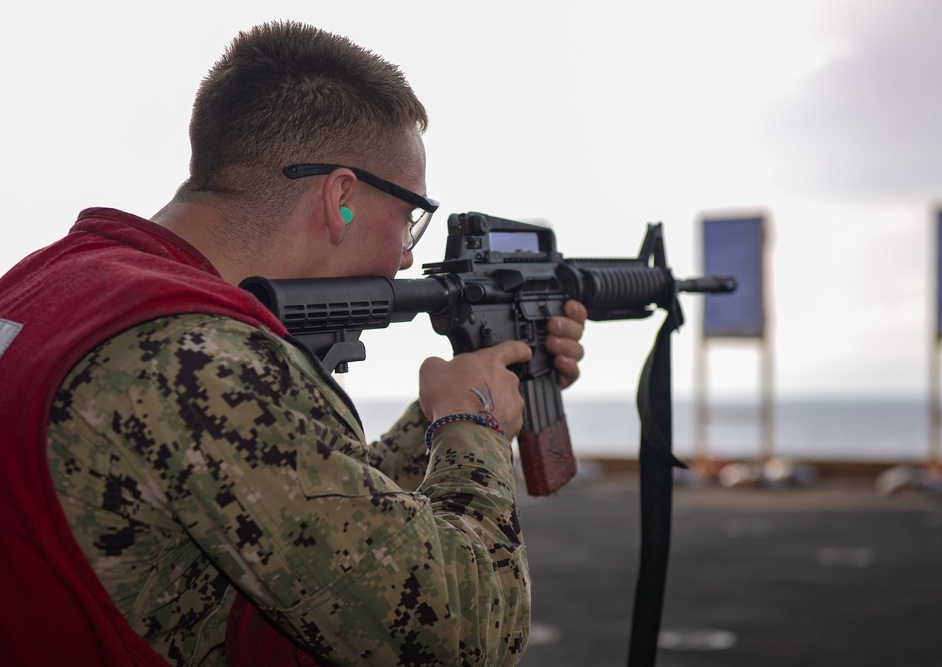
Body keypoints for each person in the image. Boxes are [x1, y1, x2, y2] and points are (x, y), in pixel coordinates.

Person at [0, 20, 587, 667]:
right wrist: (474, 422)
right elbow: (464, 635)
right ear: (340, 197)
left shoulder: (48, 285)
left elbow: (294, 498)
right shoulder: (207, 360)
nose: (405, 252)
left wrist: (441, 408)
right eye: (409, 216)